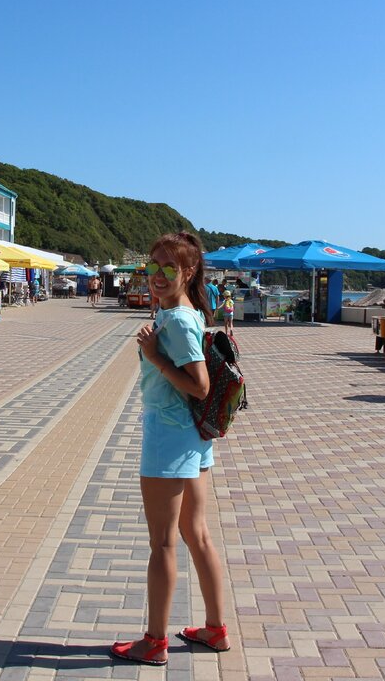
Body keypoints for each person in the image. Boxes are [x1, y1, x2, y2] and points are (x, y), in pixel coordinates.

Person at [111, 231, 230, 666]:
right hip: (192, 439)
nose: (157, 277)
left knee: (163, 542)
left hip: (169, 438)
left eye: (168, 269)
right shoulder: (186, 312)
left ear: (189, 271)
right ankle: (215, 629)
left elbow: (199, 386)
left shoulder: (178, 319)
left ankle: (154, 640)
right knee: (196, 535)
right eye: (152, 268)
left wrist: (154, 356)